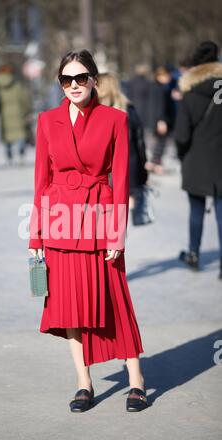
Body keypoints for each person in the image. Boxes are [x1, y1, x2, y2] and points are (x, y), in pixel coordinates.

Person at [28, 50, 148, 413]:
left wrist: (117, 233)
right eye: (67, 80)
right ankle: (83, 382)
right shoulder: (47, 120)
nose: (74, 86)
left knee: (115, 299)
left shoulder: (115, 119)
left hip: (99, 218)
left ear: (95, 79)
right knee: (69, 308)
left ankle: (136, 380)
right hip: (60, 221)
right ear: (60, 83)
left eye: (81, 78)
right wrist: (36, 238)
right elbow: (40, 181)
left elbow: (122, 179)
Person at [174, 41, 222, 280]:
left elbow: (181, 134)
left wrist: (182, 153)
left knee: (196, 210)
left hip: (196, 159)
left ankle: (194, 253)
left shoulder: (191, 93)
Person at [96, 72, 148, 212]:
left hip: (99, 180)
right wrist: (142, 177)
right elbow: (139, 146)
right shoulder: (129, 111)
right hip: (127, 176)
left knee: (102, 226)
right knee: (119, 226)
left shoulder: (93, 114)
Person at [0, 64, 32, 164]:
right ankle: (21, 154)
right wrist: (27, 111)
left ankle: (9, 155)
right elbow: (24, 99)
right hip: (18, 112)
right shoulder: (17, 85)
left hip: (4, 113)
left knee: (7, 135)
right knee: (20, 134)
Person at [146, 66, 176, 174]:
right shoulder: (159, 89)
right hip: (160, 119)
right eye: (166, 75)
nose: (169, 77)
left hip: (157, 119)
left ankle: (154, 162)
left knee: (159, 141)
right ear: (160, 76)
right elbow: (159, 106)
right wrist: (161, 120)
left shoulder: (157, 87)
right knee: (161, 142)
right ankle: (156, 163)